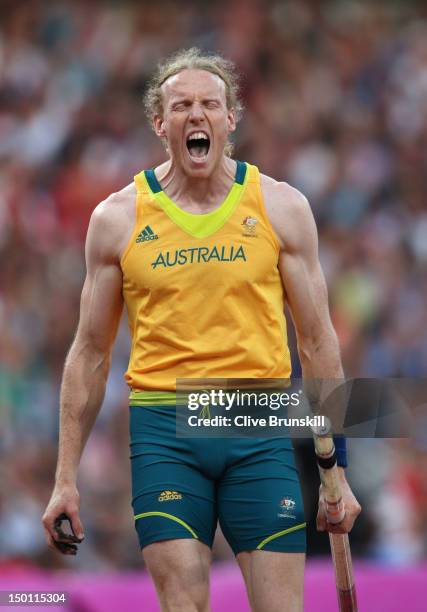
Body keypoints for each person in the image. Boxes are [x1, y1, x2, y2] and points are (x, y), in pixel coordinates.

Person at [42, 48, 361, 611]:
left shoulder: (281, 208)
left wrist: (331, 467)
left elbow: (317, 343)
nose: (197, 114)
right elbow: (89, 353)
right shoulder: (117, 219)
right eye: (181, 105)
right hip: (166, 430)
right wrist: (65, 478)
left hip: (254, 426)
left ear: (230, 118)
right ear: (160, 124)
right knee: (183, 601)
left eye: (210, 104)